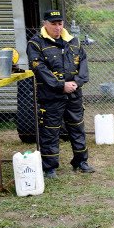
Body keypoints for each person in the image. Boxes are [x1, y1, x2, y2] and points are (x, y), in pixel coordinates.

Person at [27, 10, 95, 179]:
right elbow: (40, 69)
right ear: (45, 24)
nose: (57, 27)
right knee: (50, 131)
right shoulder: (35, 44)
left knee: (77, 127)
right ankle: (49, 168)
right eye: (53, 24)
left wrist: (77, 82)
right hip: (50, 96)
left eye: (60, 23)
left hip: (74, 94)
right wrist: (60, 86)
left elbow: (84, 65)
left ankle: (81, 161)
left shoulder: (73, 41)